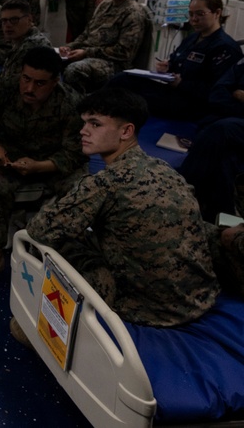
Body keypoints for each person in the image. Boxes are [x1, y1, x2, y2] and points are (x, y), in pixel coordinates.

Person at [25, 88, 219, 327]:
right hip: (200, 299)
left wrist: (66, 194)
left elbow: (39, 229)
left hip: (149, 310)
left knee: (54, 243)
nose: (83, 131)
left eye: (95, 124)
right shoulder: (165, 169)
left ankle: (42, 322)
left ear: (126, 131)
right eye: (84, 123)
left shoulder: (104, 183)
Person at [0, 47, 87, 284]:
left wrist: (40, 166)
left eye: (40, 83)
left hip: (53, 162)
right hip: (12, 157)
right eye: (26, 79)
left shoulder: (70, 104)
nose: (29, 88)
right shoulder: (6, 90)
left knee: (81, 190)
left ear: (54, 81)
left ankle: (62, 256)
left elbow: (75, 153)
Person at [109, 0, 241, 120]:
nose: (194, 19)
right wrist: (166, 67)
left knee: (128, 94)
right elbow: (176, 61)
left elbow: (219, 91)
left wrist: (182, 84)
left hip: (193, 104)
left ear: (217, 13)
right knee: (124, 78)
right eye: (191, 14)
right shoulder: (192, 38)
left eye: (200, 14)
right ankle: (96, 113)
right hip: (173, 93)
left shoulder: (225, 48)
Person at [59, 0, 149, 95]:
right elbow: (87, 33)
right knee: (50, 60)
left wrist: (86, 52)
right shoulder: (105, 4)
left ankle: (78, 107)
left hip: (113, 65)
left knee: (75, 70)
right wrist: (70, 47)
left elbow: (123, 53)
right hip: (89, 56)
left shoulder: (133, 13)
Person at [178, 56, 244, 222]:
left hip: (229, 123)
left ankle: (180, 196)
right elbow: (218, 93)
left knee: (220, 130)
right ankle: (223, 221)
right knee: (224, 159)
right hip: (231, 116)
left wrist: (237, 95)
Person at [0, 0, 52, 99]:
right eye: (4, 21)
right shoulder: (20, 41)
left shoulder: (32, 46)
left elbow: (8, 88)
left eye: (14, 20)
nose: (8, 25)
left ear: (29, 20)